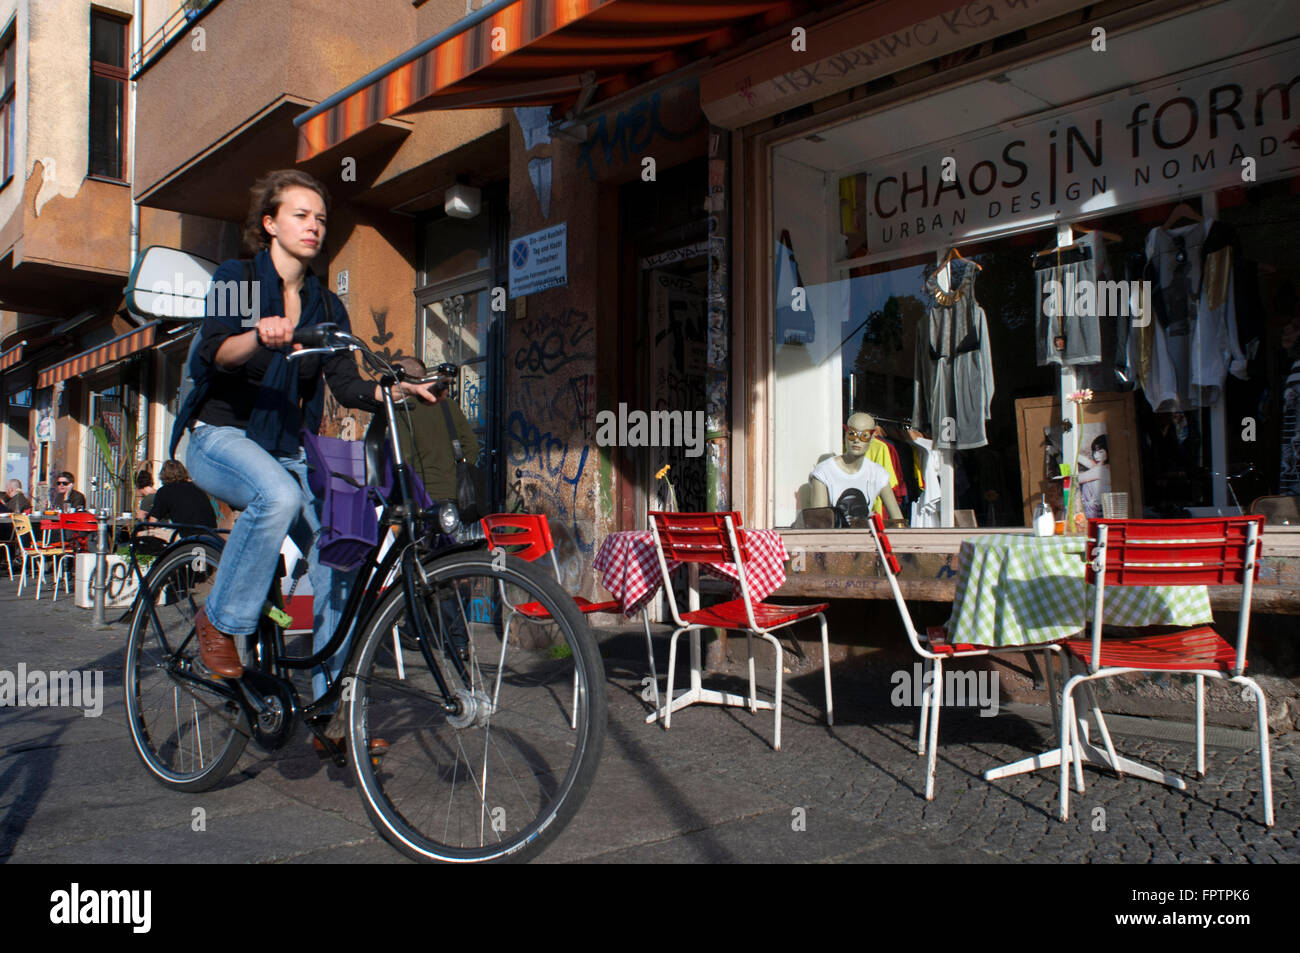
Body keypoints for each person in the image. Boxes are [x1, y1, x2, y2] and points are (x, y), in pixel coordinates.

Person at [171, 169, 438, 693]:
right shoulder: (236, 278)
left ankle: (330, 706)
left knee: (338, 555)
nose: (313, 226)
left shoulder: (326, 305)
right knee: (278, 498)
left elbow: (344, 384)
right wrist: (257, 335)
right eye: (300, 215)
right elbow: (215, 352)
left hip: (285, 447)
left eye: (320, 218)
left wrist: (398, 389)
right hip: (219, 436)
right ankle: (220, 621)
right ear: (269, 223)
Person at [392, 357, 479, 502]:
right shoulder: (448, 405)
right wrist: (456, 472)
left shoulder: (403, 409)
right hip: (452, 491)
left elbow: (403, 457)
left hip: (419, 492)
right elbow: (472, 446)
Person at [808, 412, 905, 525]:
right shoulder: (824, 472)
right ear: (845, 434)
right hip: (833, 540)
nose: (856, 440)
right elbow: (819, 525)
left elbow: (898, 521)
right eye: (852, 433)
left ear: (872, 438)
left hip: (866, 538)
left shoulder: (878, 474)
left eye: (864, 435)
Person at [149, 460, 217, 529]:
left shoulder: (164, 491)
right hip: (211, 534)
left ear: (163, 474)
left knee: (143, 534)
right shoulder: (197, 487)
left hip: (188, 535)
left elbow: (152, 523)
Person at [1075, 434, 1111, 519]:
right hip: (1100, 512)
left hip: (1096, 513)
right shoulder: (1105, 467)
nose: (1096, 455)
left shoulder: (1100, 470)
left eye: (1100, 452)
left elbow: (1076, 479)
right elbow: (1087, 462)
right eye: (1094, 451)